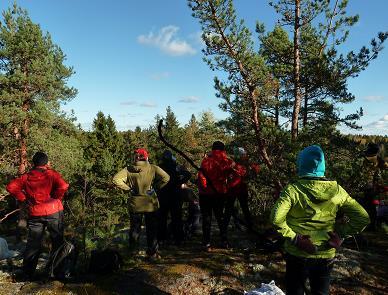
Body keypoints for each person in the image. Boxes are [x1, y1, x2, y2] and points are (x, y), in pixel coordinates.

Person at [271, 145, 370, 295]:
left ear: (301, 164)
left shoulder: (293, 190)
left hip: (297, 253)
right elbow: (362, 218)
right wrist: (341, 234)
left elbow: (276, 219)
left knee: (294, 291)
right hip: (325, 254)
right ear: (323, 166)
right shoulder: (336, 190)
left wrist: (295, 239)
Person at [6, 152, 69, 280]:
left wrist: (23, 199)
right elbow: (63, 186)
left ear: (33, 163)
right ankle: (57, 272)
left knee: (33, 243)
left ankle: (28, 273)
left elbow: (11, 187)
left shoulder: (27, 177)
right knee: (57, 241)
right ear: (46, 163)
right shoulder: (52, 174)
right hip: (54, 211)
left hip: (35, 212)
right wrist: (57, 197)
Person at [113, 148, 169, 259]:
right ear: (146, 157)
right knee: (152, 229)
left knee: (135, 229)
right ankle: (152, 253)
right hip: (150, 203)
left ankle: (133, 253)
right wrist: (156, 188)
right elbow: (166, 177)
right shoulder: (153, 168)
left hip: (135, 204)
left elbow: (116, 180)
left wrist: (128, 189)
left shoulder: (129, 169)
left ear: (136, 157)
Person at [197, 141, 239, 251]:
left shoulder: (205, 161)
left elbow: (201, 177)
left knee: (206, 218)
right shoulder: (227, 161)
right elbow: (237, 171)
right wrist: (229, 185)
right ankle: (224, 241)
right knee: (220, 218)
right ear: (223, 149)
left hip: (205, 194)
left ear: (212, 149)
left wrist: (205, 188)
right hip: (220, 194)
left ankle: (207, 243)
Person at [157, 150, 191, 245]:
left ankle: (161, 239)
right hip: (176, 195)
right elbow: (188, 174)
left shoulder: (160, 167)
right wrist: (180, 182)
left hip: (163, 195)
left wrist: (158, 185)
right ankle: (178, 239)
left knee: (162, 218)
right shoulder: (176, 167)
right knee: (177, 218)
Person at [225, 147, 260, 232]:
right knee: (243, 208)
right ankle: (249, 226)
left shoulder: (233, 163)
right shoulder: (245, 163)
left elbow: (225, 172)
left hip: (233, 189)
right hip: (239, 189)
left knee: (230, 208)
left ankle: (225, 227)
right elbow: (256, 170)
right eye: (243, 154)